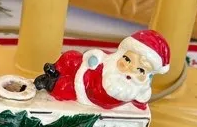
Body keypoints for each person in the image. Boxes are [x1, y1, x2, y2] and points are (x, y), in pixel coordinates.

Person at [33, 30, 171, 110]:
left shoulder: (133, 91)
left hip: (84, 93)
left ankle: (49, 82)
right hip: (86, 69)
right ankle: (54, 69)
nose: (129, 69)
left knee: (64, 88)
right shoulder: (112, 62)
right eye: (127, 60)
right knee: (70, 57)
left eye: (140, 70)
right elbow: (105, 56)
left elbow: (141, 102)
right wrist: (96, 57)